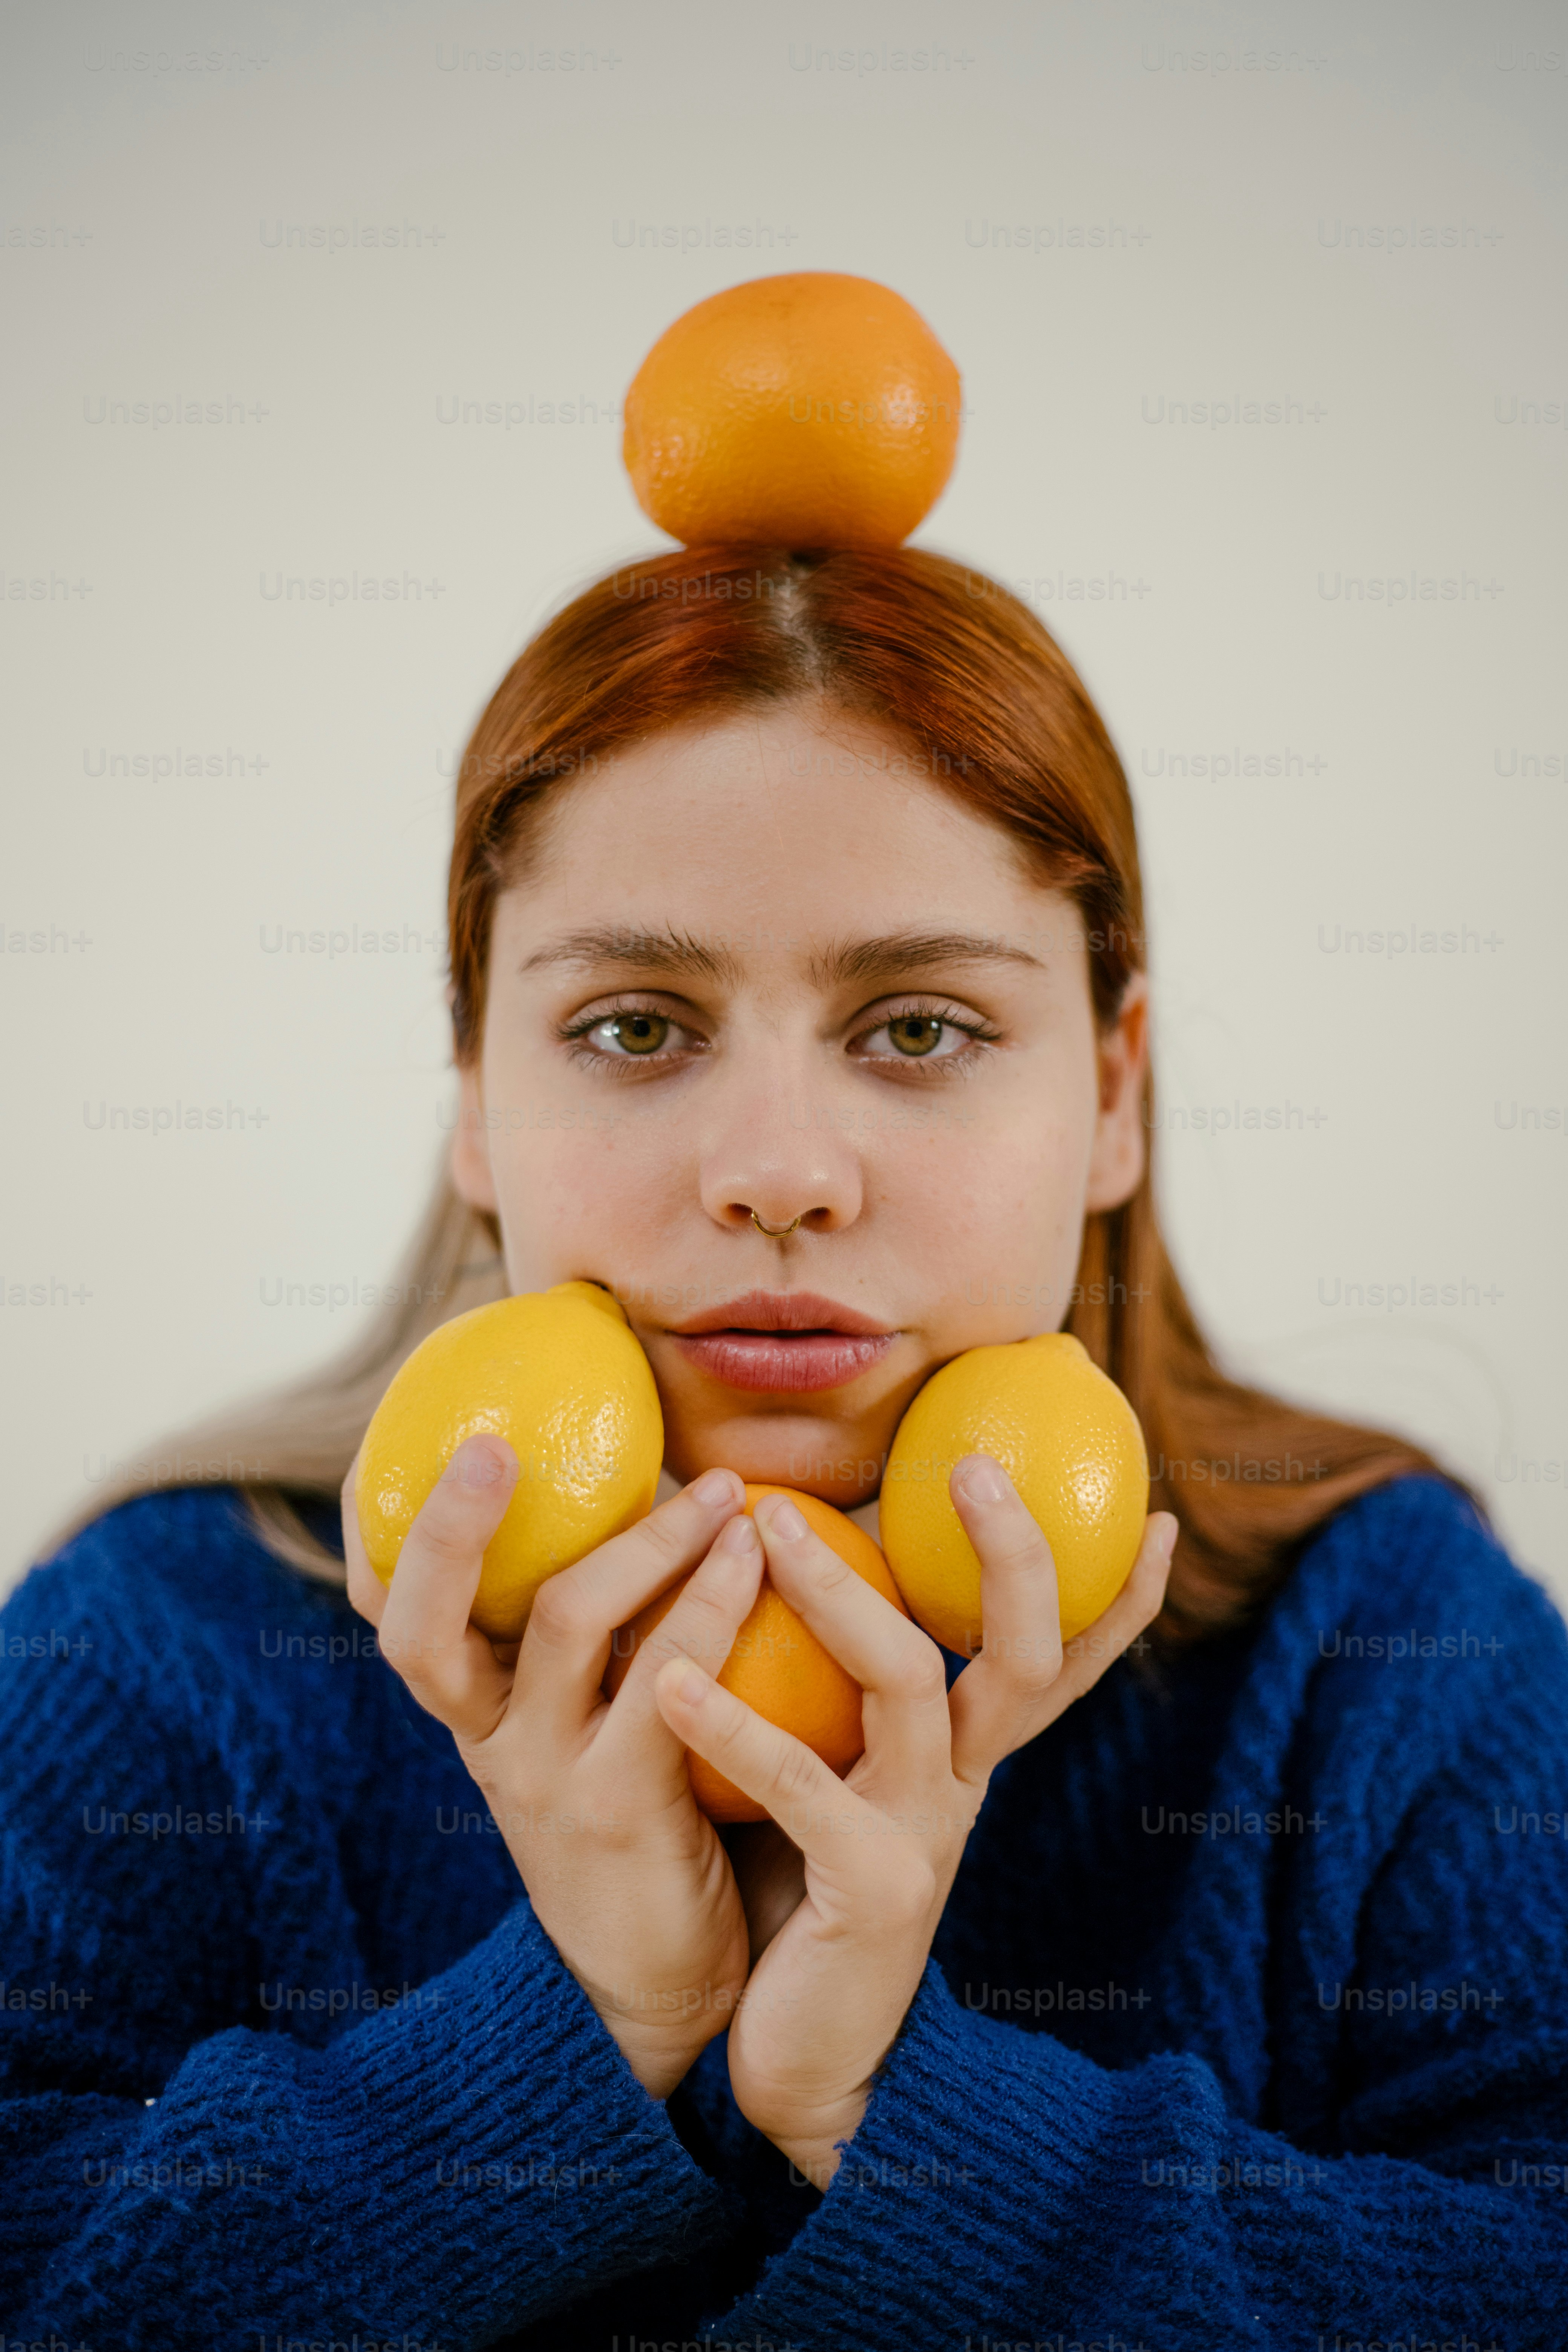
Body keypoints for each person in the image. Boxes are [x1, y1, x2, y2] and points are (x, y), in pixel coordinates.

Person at [5, 545, 1565, 2350]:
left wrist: (901, 2127)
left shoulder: (1381, 1648)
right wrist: (568, 2036)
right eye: (633, 1028)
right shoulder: (166, 1644)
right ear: (475, 1106)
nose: (777, 1171)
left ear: (1114, 1092)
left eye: (918, 1027)